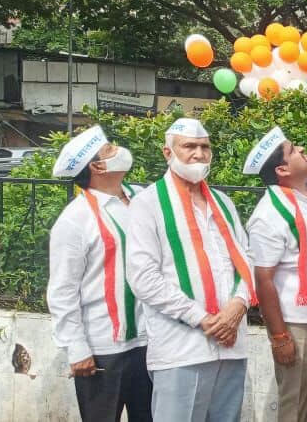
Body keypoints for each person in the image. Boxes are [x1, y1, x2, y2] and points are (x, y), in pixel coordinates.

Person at [125, 118, 258, 422]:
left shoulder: (222, 202)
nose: (199, 154)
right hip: (182, 348)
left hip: (231, 344)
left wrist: (238, 306)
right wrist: (203, 319)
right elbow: (143, 278)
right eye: (189, 147)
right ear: (167, 153)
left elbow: (245, 258)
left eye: (205, 147)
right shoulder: (148, 204)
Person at [48, 125, 152, 422]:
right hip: (103, 348)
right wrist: (76, 347)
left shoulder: (140, 198)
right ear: (97, 166)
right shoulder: (74, 220)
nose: (118, 149)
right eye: (109, 149)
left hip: (149, 342)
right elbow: (62, 290)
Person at [244, 126, 307, 421]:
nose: (301, 149)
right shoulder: (268, 216)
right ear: (282, 169)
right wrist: (280, 336)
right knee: (295, 401)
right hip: (295, 321)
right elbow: (263, 279)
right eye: (293, 150)